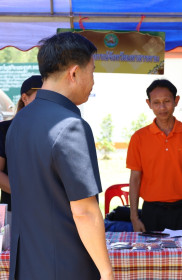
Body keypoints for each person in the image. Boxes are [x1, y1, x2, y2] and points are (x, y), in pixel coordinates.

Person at [6, 32, 114, 280]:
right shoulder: (70, 125)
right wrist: (106, 272)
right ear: (74, 73)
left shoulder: (20, 120)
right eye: (92, 71)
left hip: (26, 264)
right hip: (64, 265)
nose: (93, 80)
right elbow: (84, 211)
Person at [127, 79, 182, 232]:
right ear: (149, 104)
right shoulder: (139, 138)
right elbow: (135, 178)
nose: (162, 107)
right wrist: (134, 217)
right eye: (156, 102)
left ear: (176, 101)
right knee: (150, 255)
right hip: (151, 211)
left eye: (167, 101)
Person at [0, 75, 42, 220]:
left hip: (48, 214)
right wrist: (26, 193)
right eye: (41, 95)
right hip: (14, 212)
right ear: (25, 98)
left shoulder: (55, 131)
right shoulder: (4, 130)